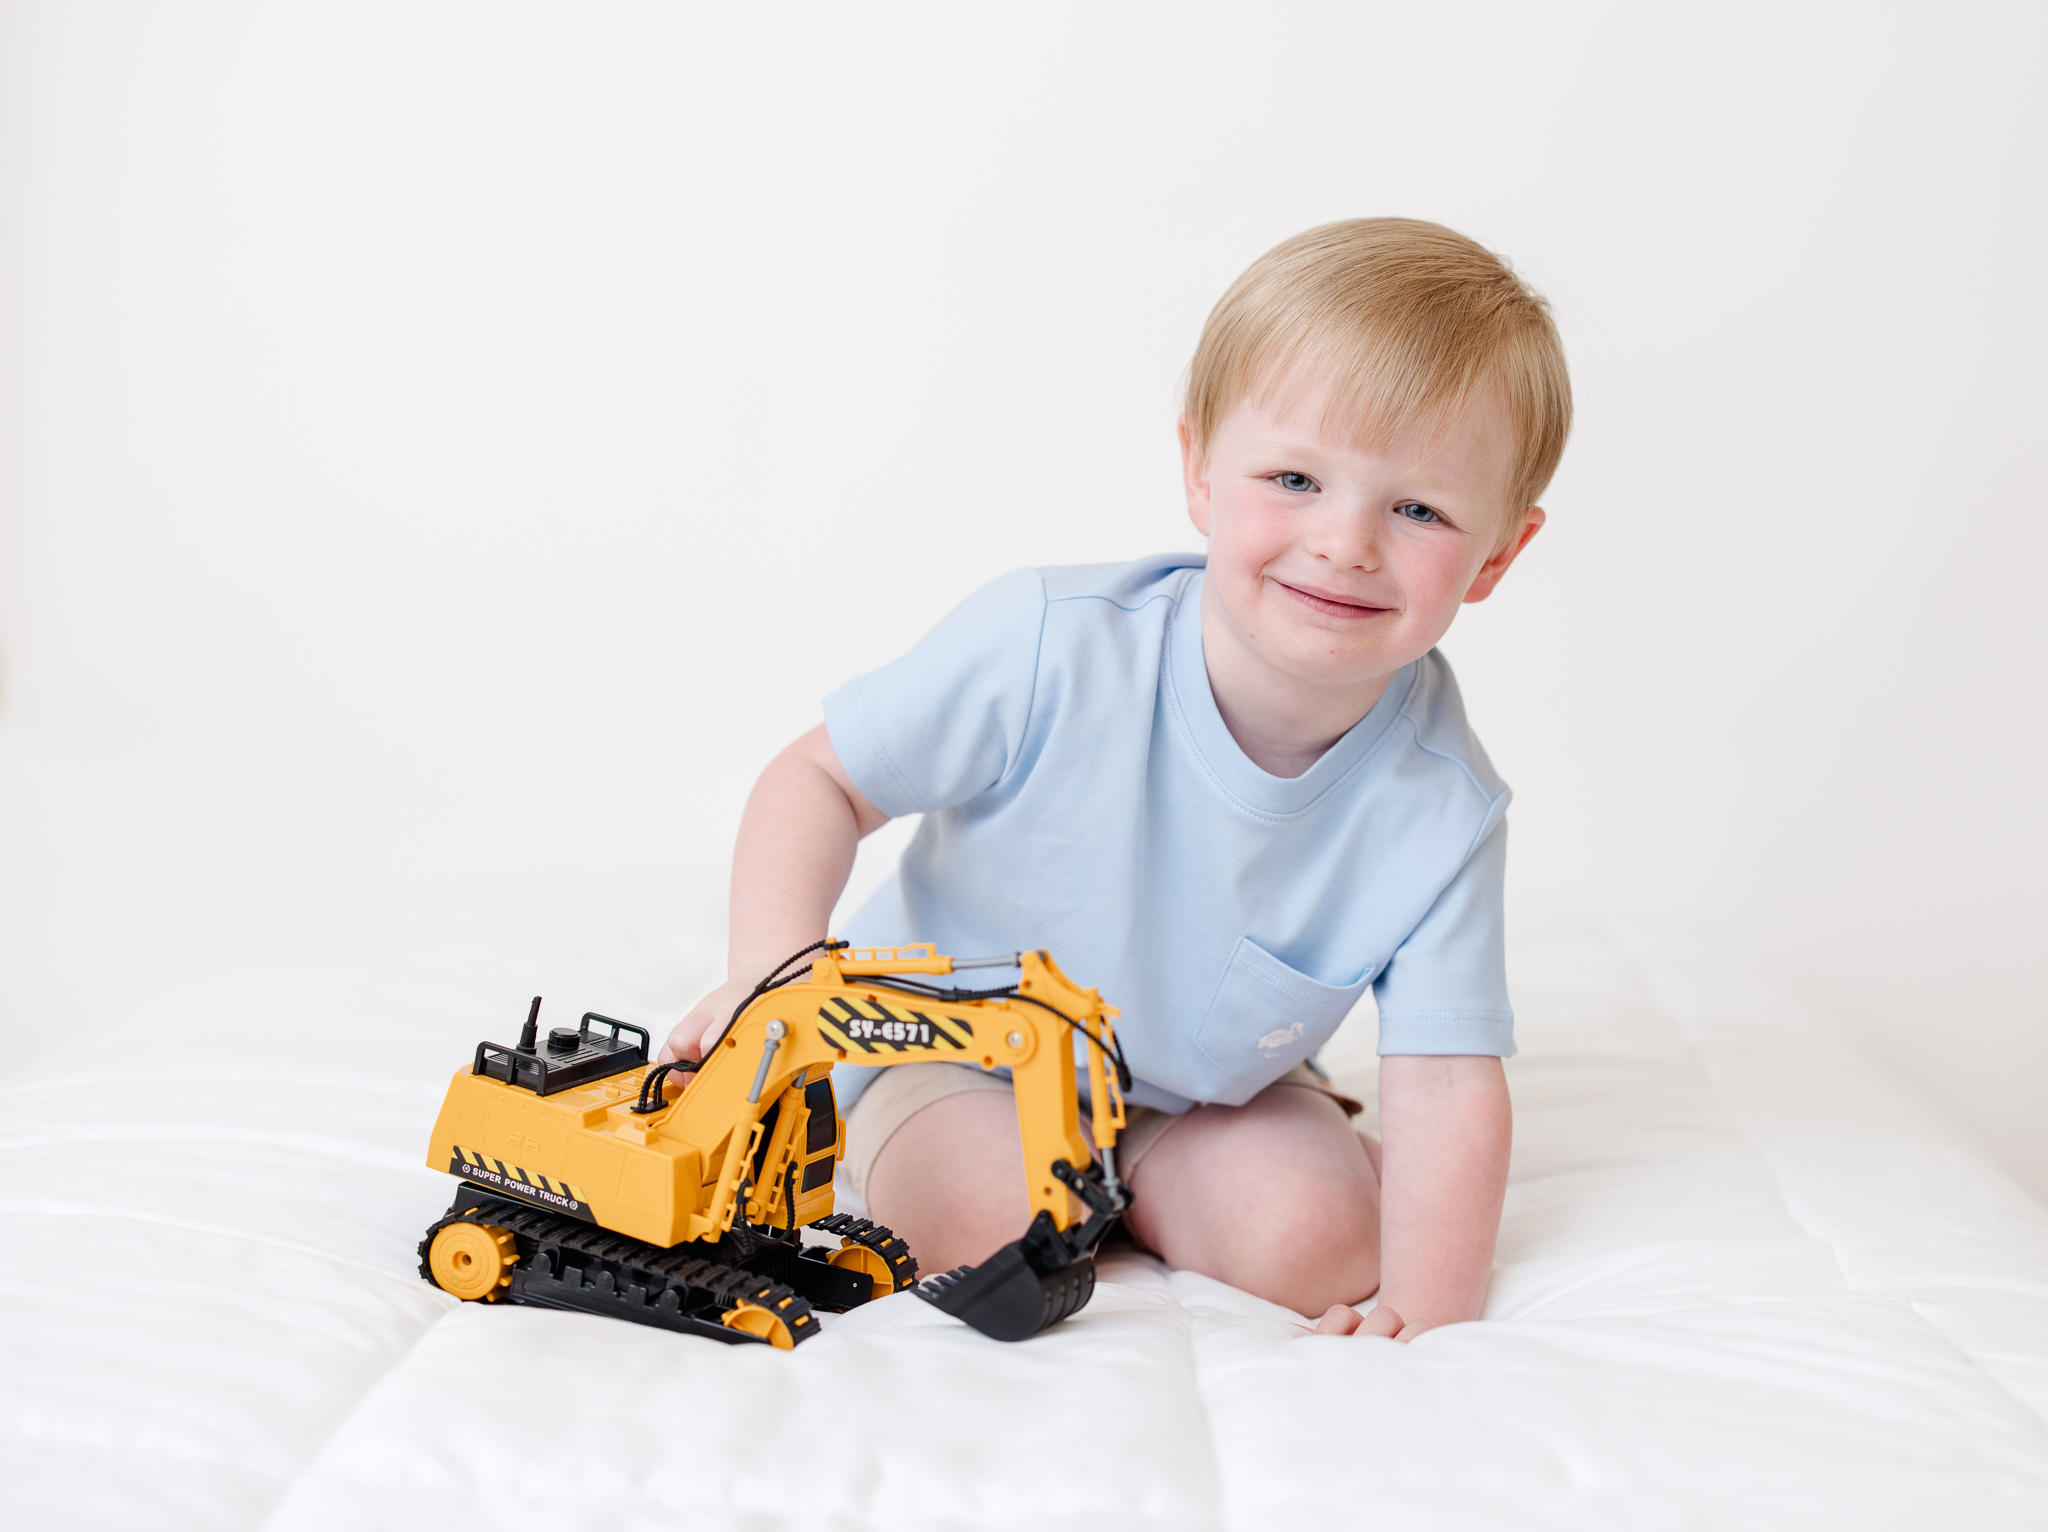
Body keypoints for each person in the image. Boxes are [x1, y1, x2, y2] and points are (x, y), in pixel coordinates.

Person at [660, 218, 1570, 1340]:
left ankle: (1151, 1179)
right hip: (953, 1054)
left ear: (1493, 558)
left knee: (1328, 1243)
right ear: (1197, 470)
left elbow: (1442, 1077)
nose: (1344, 542)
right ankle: (1082, 1191)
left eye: (1418, 508)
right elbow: (816, 780)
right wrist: (773, 970)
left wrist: (1423, 1315)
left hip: (1197, 1096)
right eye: (1292, 477)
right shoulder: (1049, 643)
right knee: (1000, 1228)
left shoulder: (1441, 804)